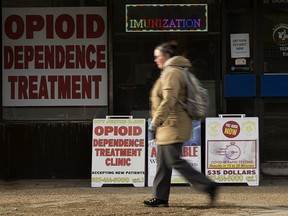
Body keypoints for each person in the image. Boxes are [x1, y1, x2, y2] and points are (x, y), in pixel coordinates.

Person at [144, 42, 218, 208]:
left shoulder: (172, 73)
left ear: (167, 57)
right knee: (163, 161)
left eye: (158, 56)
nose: (156, 60)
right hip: (168, 125)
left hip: (173, 124)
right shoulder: (170, 72)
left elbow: (169, 99)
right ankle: (160, 197)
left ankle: (207, 185)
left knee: (174, 160)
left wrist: (155, 122)